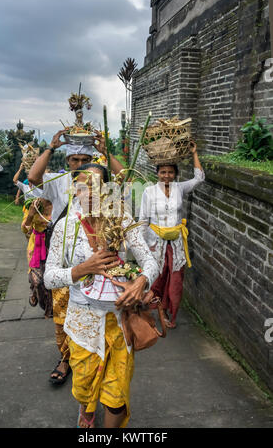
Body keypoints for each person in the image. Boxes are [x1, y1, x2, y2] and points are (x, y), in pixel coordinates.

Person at [44, 164, 159, 428]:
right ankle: (86, 413)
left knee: (116, 396)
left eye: (97, 185)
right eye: (83, 185)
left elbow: (150, 263)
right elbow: (50, 277)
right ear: (75, 189)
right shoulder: (66, 226)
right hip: (82, 323)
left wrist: (140, 281)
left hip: (119, 321)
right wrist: (82, 269)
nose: (90, 191)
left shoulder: (121, 220)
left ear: (108, 188)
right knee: (84, 388)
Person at [28, 130, 125, 385]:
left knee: (98, 313)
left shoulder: (103, 186)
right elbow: (32, 177)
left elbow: (124, 178)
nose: (80, 165)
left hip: (98, 253)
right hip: (65, 254)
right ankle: (65, 358)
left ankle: (98, 359)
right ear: (67, 163)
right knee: (62, 315)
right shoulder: (60, 180)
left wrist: (107, 152)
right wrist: (50, 147)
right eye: (74, 160)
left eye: (85, 159)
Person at [139, 143, 205, 329]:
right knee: (156, 278)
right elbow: (143, 219)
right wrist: (144, 246)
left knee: (175, 280)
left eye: (170, 172)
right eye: (163, 172)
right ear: (157, 173)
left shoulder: (179, 188)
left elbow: (199, 178)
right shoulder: (149, 192)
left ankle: (170, 313)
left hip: (175, 243)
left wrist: (194, 153)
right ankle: (153, 312)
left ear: (175, 174)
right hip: (155, 242)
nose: (166, 176)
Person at [21, 197, 53, 317]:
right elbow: (24, 229)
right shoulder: (34, 204)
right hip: (36, 248)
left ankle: (49, 308)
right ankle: (34, 288)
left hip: (52, 246)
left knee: (50, 280)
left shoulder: (58, 200)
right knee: (38, 281)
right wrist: (31, 214)